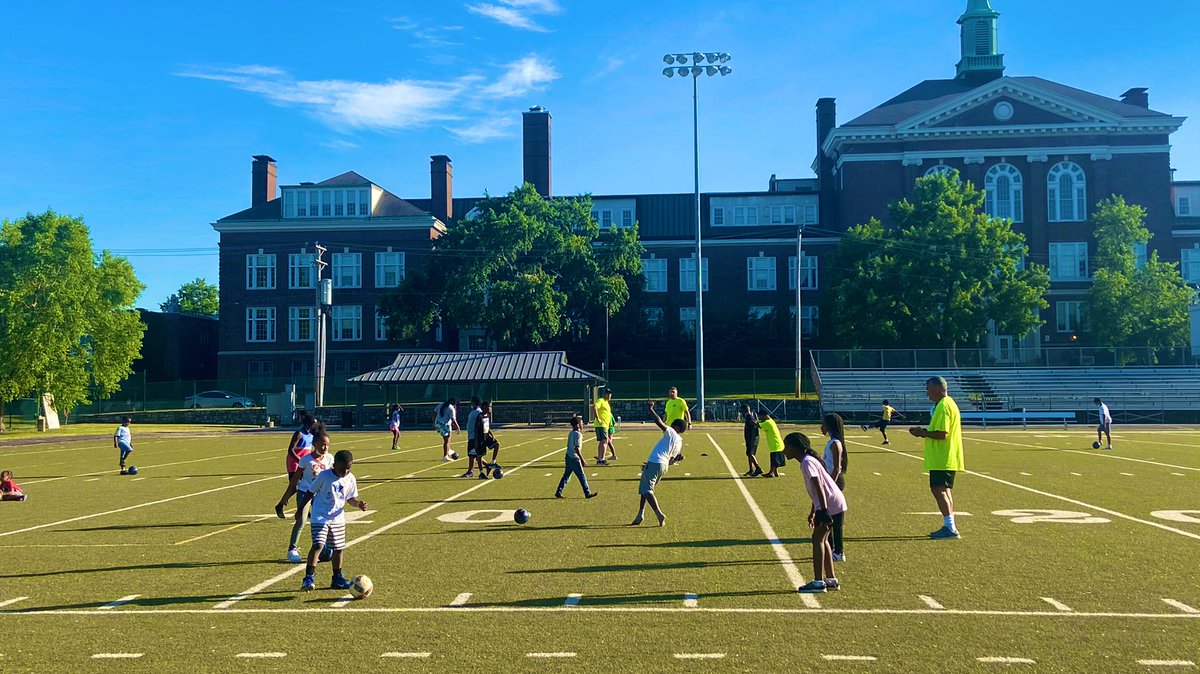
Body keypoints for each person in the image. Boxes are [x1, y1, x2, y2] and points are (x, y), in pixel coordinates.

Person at [783, 432, 846, 593]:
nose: (784, 451)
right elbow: (817, 489)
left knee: (817, 540)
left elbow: (819, 486)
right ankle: (831, 579)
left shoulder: (807, 462)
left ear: (794, 448)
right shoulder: (808, 460)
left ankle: (818, 582)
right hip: (834, 502)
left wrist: (823, 510)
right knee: (823, 540)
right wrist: (813, 511)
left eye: (786, 447)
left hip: (829, 504)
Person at [301, 449, 368, 592]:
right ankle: (309, 577)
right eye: (342, 469)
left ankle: (337, 577)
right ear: (334, 465)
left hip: (337, 518)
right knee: (318, 544)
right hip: (320, 515)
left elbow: (350, 498)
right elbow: (310, 492)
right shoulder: (324, 476)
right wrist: (300, 509)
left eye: (348, 468)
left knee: (338, 548)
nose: (345, 472)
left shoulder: (350, 478)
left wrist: (358, 504)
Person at [909, 376, 964, 539]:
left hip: (942, 457)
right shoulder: (949, 403)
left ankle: (950, 527)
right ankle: (950, 525)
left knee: (938, 490)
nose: (928, 394)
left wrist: (922, 433)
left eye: (930, 390)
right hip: (946, 456)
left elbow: (942, 434)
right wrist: (924, 432)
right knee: (944, 490)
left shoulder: (943, 406)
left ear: (939, 389)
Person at [631, 400, 686, 527]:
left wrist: (651, 409)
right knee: (645, 490)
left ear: (677, 427)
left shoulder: (671, 432)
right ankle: (640, 514)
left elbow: (658, 422)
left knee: (647, 490)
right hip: (663, 465)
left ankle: (659, 514)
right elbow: (672, 460)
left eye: (673, 424)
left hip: (656, 462)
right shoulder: (679, 442)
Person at [287, 430, 334, 563]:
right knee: (301, 520)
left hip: (321, 494)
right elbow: (296, 478)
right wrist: (286, 496)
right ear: (315, 444)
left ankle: (322, 547)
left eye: (327, 445)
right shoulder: (306, 459)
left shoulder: (330, 458)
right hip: (305, 492)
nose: (325, 447)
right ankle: (292, 548)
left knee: (322, 521)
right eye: (322, 444)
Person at [275, 415, 315, 519]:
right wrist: (300, 460)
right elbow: (290, 450)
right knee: (294, 487)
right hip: (294, 463)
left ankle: (304, 509)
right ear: (307, 423)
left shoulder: (312, 435)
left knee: (307, 486)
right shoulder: (299, 434)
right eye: (312, 424)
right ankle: (280, 505)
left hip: (305, 463)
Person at [821, 413, 848, 561]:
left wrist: (829, 485)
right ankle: (831, 548)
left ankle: (838, 552)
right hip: (830, 481)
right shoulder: (831, 442)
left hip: (834, 482)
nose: (821, 427)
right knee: (828, 517)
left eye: (823, 424)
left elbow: (837, 468)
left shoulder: (835, 443)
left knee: (834, 519)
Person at [556, 415, 598, 499]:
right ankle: (587, 493)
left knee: (566, 476)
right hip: (574, 458)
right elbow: (577, 448)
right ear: (578, 425)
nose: (583, 425)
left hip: (568, 456)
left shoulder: (571, 433)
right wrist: (582, 459)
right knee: (582, 476)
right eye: (582, 423)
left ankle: (559, 491)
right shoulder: (578, 434)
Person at [592, 389, 617, 464]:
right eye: (608, 394)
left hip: (604, 425)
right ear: (604, 394)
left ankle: (600, 458)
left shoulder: (606, 403)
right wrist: (598, 418)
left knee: (602, 441)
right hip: (601, 425)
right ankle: (601, 459)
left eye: (610, 394)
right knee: (604, 441)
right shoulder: (601, 400)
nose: (609, 396)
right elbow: (595, 406)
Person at [758, 410, 785, 478]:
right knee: (775, 459)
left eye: (760, 417)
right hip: (776, 444)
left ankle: (771, 472)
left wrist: (752, 420)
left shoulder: (767, 422)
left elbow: (758, 425)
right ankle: (775, 472)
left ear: (764, 416)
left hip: (775, 444)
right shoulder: (771, 421)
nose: (760, 419)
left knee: (774, 460)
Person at [433, 397, 461, 462]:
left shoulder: (440, 404)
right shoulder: (451, 408)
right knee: (447, 440)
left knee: (447, 439)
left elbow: (434, 413)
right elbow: (453, 419)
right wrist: (458, 427)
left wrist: (434, 422)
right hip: (445, 425)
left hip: (438, 423)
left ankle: (449, 450)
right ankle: (445, 456)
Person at [462, 397, 483, 478]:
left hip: (474, 436)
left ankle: (470, 471)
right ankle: (487, 465)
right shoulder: (473, 411)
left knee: (472, 454)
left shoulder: (478, 412)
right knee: (474, 454)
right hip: (471, 435)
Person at [741, 403, 762, 477]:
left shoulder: (749, 416)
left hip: (752, 438)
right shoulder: (750, 415)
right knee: (749, 454)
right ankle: (751, 469)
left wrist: (757, 424)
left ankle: (758, 468)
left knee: (750, 453)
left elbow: (753, 422)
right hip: (750, 438)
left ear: (744, 410)